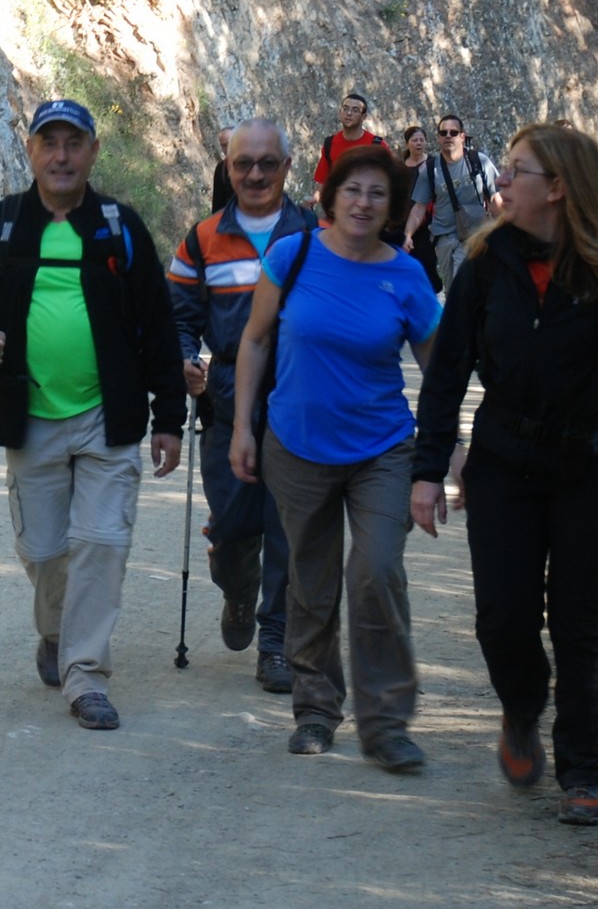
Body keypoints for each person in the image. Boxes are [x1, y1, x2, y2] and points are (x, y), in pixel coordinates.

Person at [409, 123, 598, 827]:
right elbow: (445, 376)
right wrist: (427, 471)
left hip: (593, 464)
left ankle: (587, 771)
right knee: (502, 618)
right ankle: (523, 704)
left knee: (579, 618)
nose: (500, 180)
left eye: (516, 170)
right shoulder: (484, 263)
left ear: (558, 187)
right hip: (504, 464)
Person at [0, 98, 186, 732]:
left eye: (74, 143)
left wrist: (169, 417)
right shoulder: (0, 227)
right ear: (31, 152)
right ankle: (56, 631)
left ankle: (86, 675)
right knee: (44, 550)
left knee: (101, 544)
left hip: (108, 417)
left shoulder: (119, 228)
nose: (62, 156)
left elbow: (159, 328)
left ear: (93, 152)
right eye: (49, 143)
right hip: (30, 418)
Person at [231, 144, 442, 773]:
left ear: (392, 206)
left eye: (378, 193)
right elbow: (255, 340)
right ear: (331, 196)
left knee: (377, 571)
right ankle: (317, 709)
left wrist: (449, 447)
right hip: (295, 445)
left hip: (383, 449)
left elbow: (440, 371)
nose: (363, 202)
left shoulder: (407, 276)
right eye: (353, 190)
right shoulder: (292, 256)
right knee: (310, 579)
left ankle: (387, 723)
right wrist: (242, 427)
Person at [170, 119, 316, 693]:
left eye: (267, 163)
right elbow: (177, 315)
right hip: (227, 402)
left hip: (299, 402)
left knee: (287, 530)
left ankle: (275, 643)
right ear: (227, 169)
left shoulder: (316, 236)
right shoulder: (202, 239)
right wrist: (186, 358)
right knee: (232, 529)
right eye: (243, 164)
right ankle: (237, 588)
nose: (255, 174)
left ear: (287, 167)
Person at [404, 113, 500, 289]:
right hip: (444, 239)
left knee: (461, 284)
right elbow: (419, 208)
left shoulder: (478, 161)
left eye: (453, 132)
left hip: (474, 235)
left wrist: (506, 230)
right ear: (438, 138)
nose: (448, 136)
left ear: (462, 136)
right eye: (443, 133)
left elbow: (495, 198)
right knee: (452, 290)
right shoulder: (431, 170)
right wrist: (408, 235)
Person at [309, 92, 385, 208]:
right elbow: (323, 180)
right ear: (340, 113)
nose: (349, 113)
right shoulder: (330, 143)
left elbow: (389, 183)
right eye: (345, 109)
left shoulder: (377, 146)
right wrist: (314, 200)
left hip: (367, 209)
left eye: (355, 110)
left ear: (363, 117)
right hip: (339, 210)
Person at [399, 124, 442, 293]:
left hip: (426, 222)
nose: (419, 143)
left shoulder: (434, 164)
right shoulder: (400, 167)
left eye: (421, 140)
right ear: (407, 144)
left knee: (427, 262)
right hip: (402, 220)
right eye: (414, 140)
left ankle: (432, 294)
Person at [209, 126, 234, 212]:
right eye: (224, 145)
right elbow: (217, 205)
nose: (227, 148)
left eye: (230, 143)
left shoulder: (252, 165)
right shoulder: (221, 169)